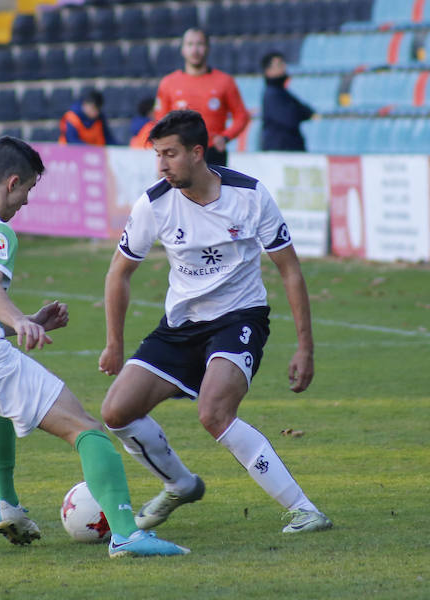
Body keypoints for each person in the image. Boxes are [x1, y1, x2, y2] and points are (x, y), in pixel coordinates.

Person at [0, 136, 188, 558]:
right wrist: (19, 319)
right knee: (88, 429)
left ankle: (7, 503)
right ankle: (128, 535)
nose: (24, 203)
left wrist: (28, 322)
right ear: (12, 182)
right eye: (27, 191)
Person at [98, 111, 332, 536]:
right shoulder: (154, 203)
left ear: (197, 152)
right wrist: (115, 342)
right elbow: (119, 273)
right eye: (157, 155)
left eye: (170, 154)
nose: (162, 165)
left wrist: (305, 347)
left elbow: (290, 270)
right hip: (181, 324)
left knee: (214, 412)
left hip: (239, 318)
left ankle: (304, 509)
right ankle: (180, 484)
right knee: (116, 411)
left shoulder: (250, 195)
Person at [154, 28, 249, 166]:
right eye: (190, 44)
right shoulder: (168, 83)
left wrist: (226, 137)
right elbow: (160, 120)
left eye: (200, 44)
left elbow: (242, 116)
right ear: (182, 49)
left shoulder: (224, 81)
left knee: (214, 188)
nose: (195, 50)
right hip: (180, 151)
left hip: (213, 152)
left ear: (208, 48)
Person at [260, 51, 316, 152]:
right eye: (279, 65)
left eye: (283, 63)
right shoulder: (272, 94)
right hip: (280, 150)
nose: (284, 67)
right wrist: (298, 112)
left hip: (289, 148)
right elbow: (290, 119)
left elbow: (308, 111)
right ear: (268, 71)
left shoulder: (282, 92)